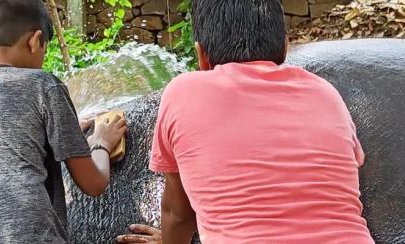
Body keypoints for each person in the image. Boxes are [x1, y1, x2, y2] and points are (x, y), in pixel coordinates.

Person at [120, 0, 373, 243]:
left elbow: (178, 215)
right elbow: (351, 163)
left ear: (201, 55)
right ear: (286, 46)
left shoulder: (182, 92)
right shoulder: (325, 92)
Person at [0, 0, 127, 243]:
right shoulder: (44, 85)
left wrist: (71, 128)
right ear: (35, 41)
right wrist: (101, 143)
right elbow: (93, 183)